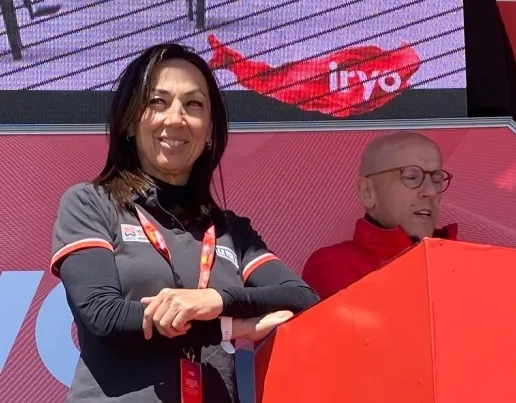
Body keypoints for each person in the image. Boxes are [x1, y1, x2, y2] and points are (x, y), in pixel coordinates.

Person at [50, 43, 320, 403]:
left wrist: (217, 299)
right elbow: (104, 315)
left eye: (193, 104)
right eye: (157, 102)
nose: (175, 118)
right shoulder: (91, 203)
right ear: (130, 121)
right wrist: (227, 327)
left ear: (209, 131)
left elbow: (303, 298)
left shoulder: (231, 231)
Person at [302, 131, 457, 300]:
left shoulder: (462, 261)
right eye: (412, 177)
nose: (432, 191)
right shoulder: (334, 266)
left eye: (437, 180)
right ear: (367, 191)